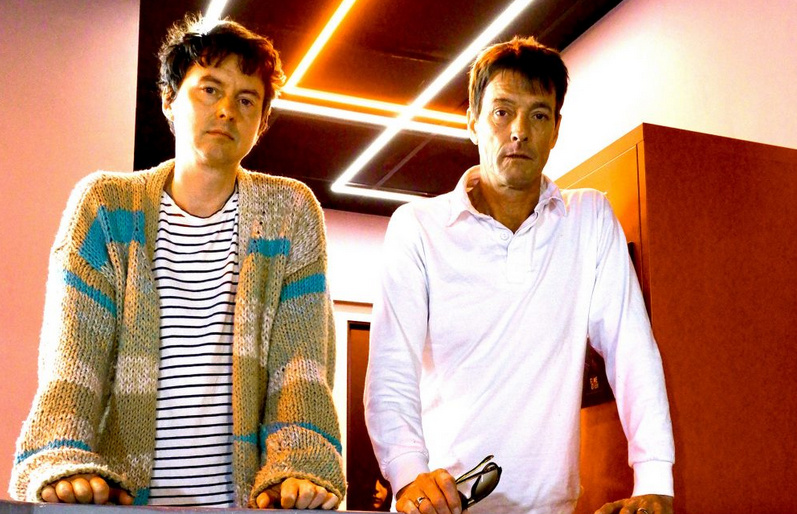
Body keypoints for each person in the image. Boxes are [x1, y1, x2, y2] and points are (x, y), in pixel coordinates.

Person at [9, 14, 344, 509]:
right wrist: (60, 456)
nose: (226, 110)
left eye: (246, 100)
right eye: (210, 90)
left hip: (243, 505)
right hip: (123, 502)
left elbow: (301, 368)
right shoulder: (105, 208)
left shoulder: (290, 212)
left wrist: (299, 467)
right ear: (170, 99)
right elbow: (73, 363)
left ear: (261, 123)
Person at [364, 36, 675, 514]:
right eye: (502, 112)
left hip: (552, 508)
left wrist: (654, 478)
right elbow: (391, 371)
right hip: (443, 507)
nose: (520, 132)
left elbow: (632, 350)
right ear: (472, 121)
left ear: (555, 131)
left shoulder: (589, 219)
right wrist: (408, 476)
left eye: (539, 115)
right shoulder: (417, 227)